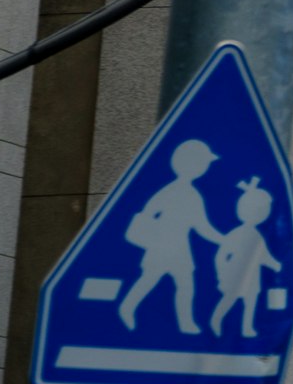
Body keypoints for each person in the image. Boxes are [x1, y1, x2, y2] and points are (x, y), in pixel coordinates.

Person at [117, 140, 219, 333]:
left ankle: (185, 323)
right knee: (154, 280)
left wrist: (221, 239)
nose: (205, 167)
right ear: (195, 165)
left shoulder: (185, 192)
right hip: (163, 246)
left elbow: (201, 225)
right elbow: (201, 226)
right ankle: (128, 307)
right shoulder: (181, 192)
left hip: (177, 248)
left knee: (183, 285)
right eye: (204, 163)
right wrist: (222, 239)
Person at [209, 178, 283, 339]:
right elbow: (221, 255)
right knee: (230, 298)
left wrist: (275, 264)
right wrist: (221, 271)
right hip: (235, 273)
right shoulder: (236, 233)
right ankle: (216, 319)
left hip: (251, 276)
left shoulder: (256, 235)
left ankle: (247, 328)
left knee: (251, 301)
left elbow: (263, 255)